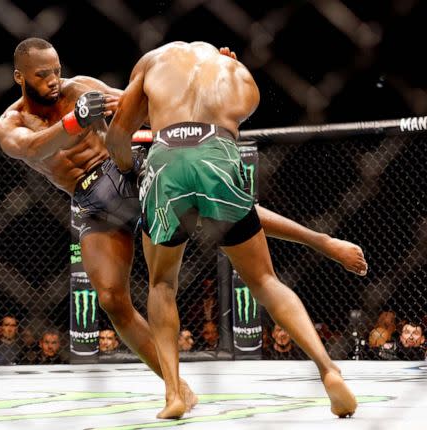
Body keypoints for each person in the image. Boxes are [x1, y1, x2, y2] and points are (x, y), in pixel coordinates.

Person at [0, 37, 366, 412]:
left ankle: (321, 241)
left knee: (205, 226)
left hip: (124, 169)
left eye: (56, 70)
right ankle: (178, 388)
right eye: (43, 75)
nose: (54, 80)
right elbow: (33, 147)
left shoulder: (82, 88)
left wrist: (209, 79)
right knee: (111, 299)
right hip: (91, 201)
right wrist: (76, 121)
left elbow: (150, 102)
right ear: (19, 77)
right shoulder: (8, 123)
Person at [105, 41, 358, 419]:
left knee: (162, 284)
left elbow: (115, 137)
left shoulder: (152, 61)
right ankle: (328, 369)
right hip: (217, 152)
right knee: (265, 280)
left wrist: (132, 169)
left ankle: (174, 393)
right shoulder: (234, 72)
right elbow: (233, 115)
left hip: (165, 158)